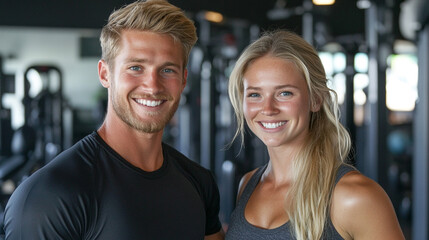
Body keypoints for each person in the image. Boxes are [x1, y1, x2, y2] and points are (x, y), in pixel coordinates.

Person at [3, 1, 224, 239]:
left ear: (183, 80)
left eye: (168, 70)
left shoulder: (199, 182)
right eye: (136, 67)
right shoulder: (48, 196)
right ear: (104, 74)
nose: (153, 86)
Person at [225, 30, 404, 240]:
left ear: (316, 100)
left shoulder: (355, 196)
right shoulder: (247, 185)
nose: (268, 108)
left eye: (284, 93)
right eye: (255, 94)